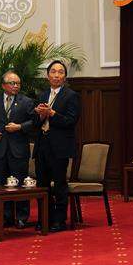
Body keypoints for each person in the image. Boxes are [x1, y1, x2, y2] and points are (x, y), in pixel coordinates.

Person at [0, 70, 34, 229]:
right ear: (3, 85)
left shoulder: (27, 102)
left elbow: (35, 122)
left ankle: (22, 217)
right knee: (1, 185)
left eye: (18, 83)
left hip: (18, 150)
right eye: (12, 83)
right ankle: (5, 216)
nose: (16, 86)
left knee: (21, 184)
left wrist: (20, 127)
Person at [33, 60, 80, 233]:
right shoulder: (42, 95)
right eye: (53, 72)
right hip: (42, 146)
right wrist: (40, 115)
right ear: (47, 75)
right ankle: (44, 218)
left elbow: (71, 121)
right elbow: (34, 123)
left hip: (60, 147)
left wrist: (52, 114)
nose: (56, 75)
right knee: (42, 185)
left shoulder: (71, 95)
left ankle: (59, 221)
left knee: (59, 185)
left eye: (60, 72)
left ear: (65, 77)